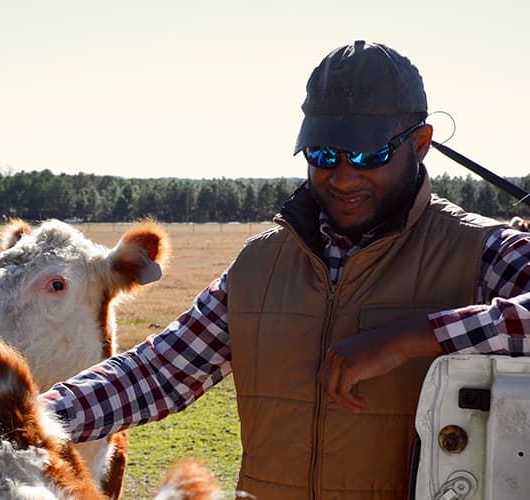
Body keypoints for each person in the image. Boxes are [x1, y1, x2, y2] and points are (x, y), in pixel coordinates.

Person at [39, 40, 530, 500]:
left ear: (420, 143)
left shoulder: (480, 251)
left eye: (367, 154)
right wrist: (29, 417)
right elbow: (159, 371)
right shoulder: (261, 263)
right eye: (322, 154)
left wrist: (412, 338)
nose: (342, 175)